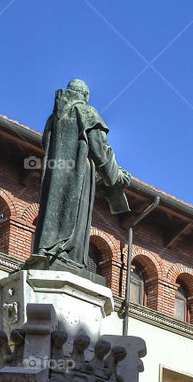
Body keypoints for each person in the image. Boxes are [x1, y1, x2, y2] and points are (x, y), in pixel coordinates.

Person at [30, 80, 130, 276]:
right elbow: (100, 151)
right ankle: (68, 254)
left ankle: (48, 248)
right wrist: (116, 176)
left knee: (54, 209)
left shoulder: (52, 120)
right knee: (77, 216)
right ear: (85, 96)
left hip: (54, 177)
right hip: (79, 176)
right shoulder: (86, 112)